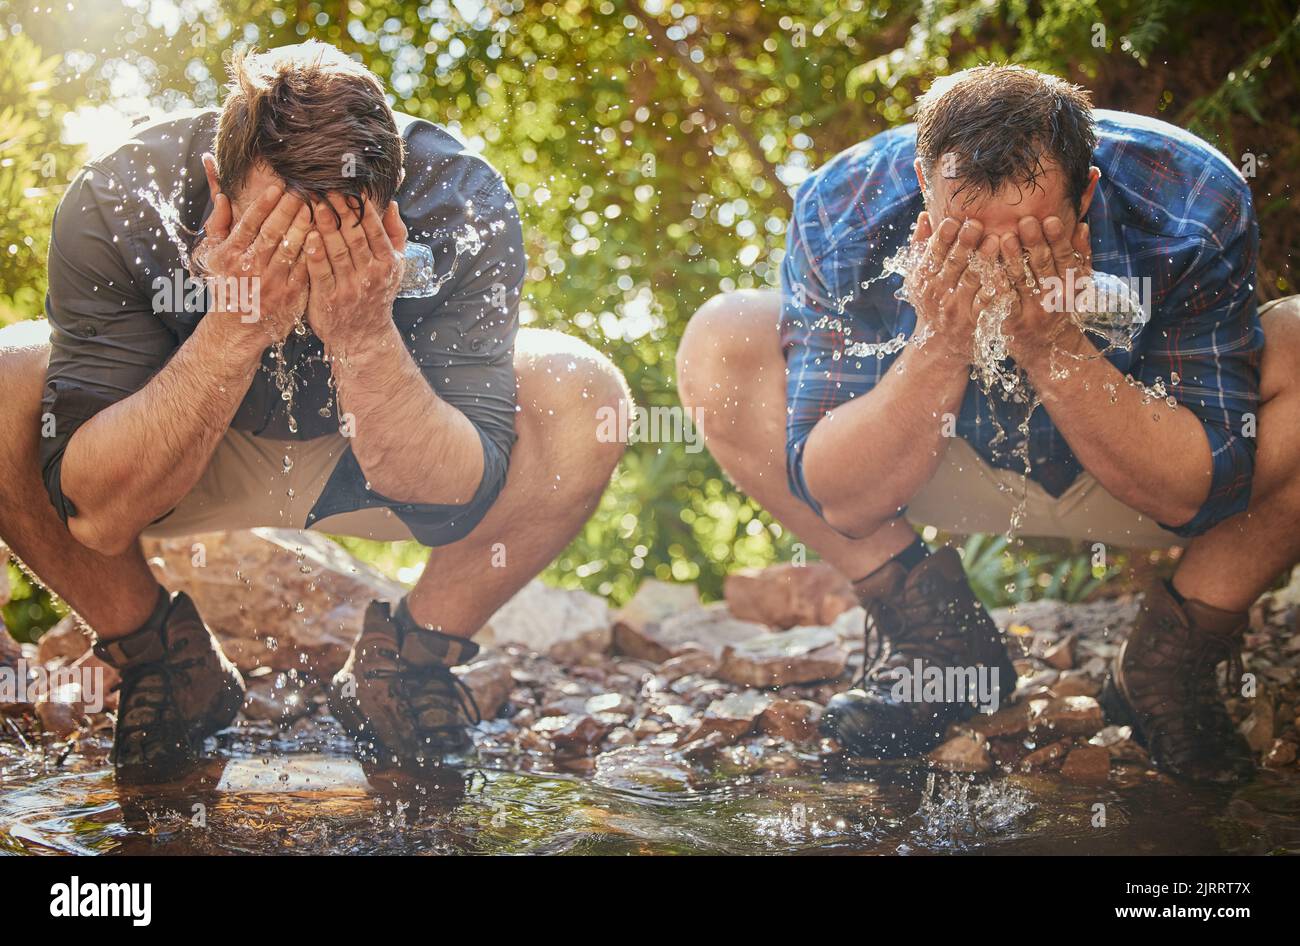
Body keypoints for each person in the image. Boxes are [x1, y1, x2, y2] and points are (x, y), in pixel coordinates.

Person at [0, 41, 630, 780]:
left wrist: (362, 334)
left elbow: (452, 499)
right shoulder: (125, 195)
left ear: (392, 207)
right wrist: (235, 323)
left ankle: (410, 663)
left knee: (584, 393)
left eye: (336, 236)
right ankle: (160, 662)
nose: (299, 260)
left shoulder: (460, 197)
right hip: (188, 443)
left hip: (379, 445)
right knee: (8, 376)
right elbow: (99, 515)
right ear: (217, 183)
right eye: (270, 233)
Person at [677, 64, 1299, 783]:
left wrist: (1054, 345)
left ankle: (1170, 666)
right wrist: (941, 342)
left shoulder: (1190, 197)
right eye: (966, 236)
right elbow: (841, 498)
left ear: (1087, 191)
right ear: (921, 183)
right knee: (725, 335)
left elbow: (1194, 494)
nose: (999, 263)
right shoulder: (841, 204)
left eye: (1030, 237)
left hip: (1135, 459)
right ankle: (939, 641)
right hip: (927, 457)